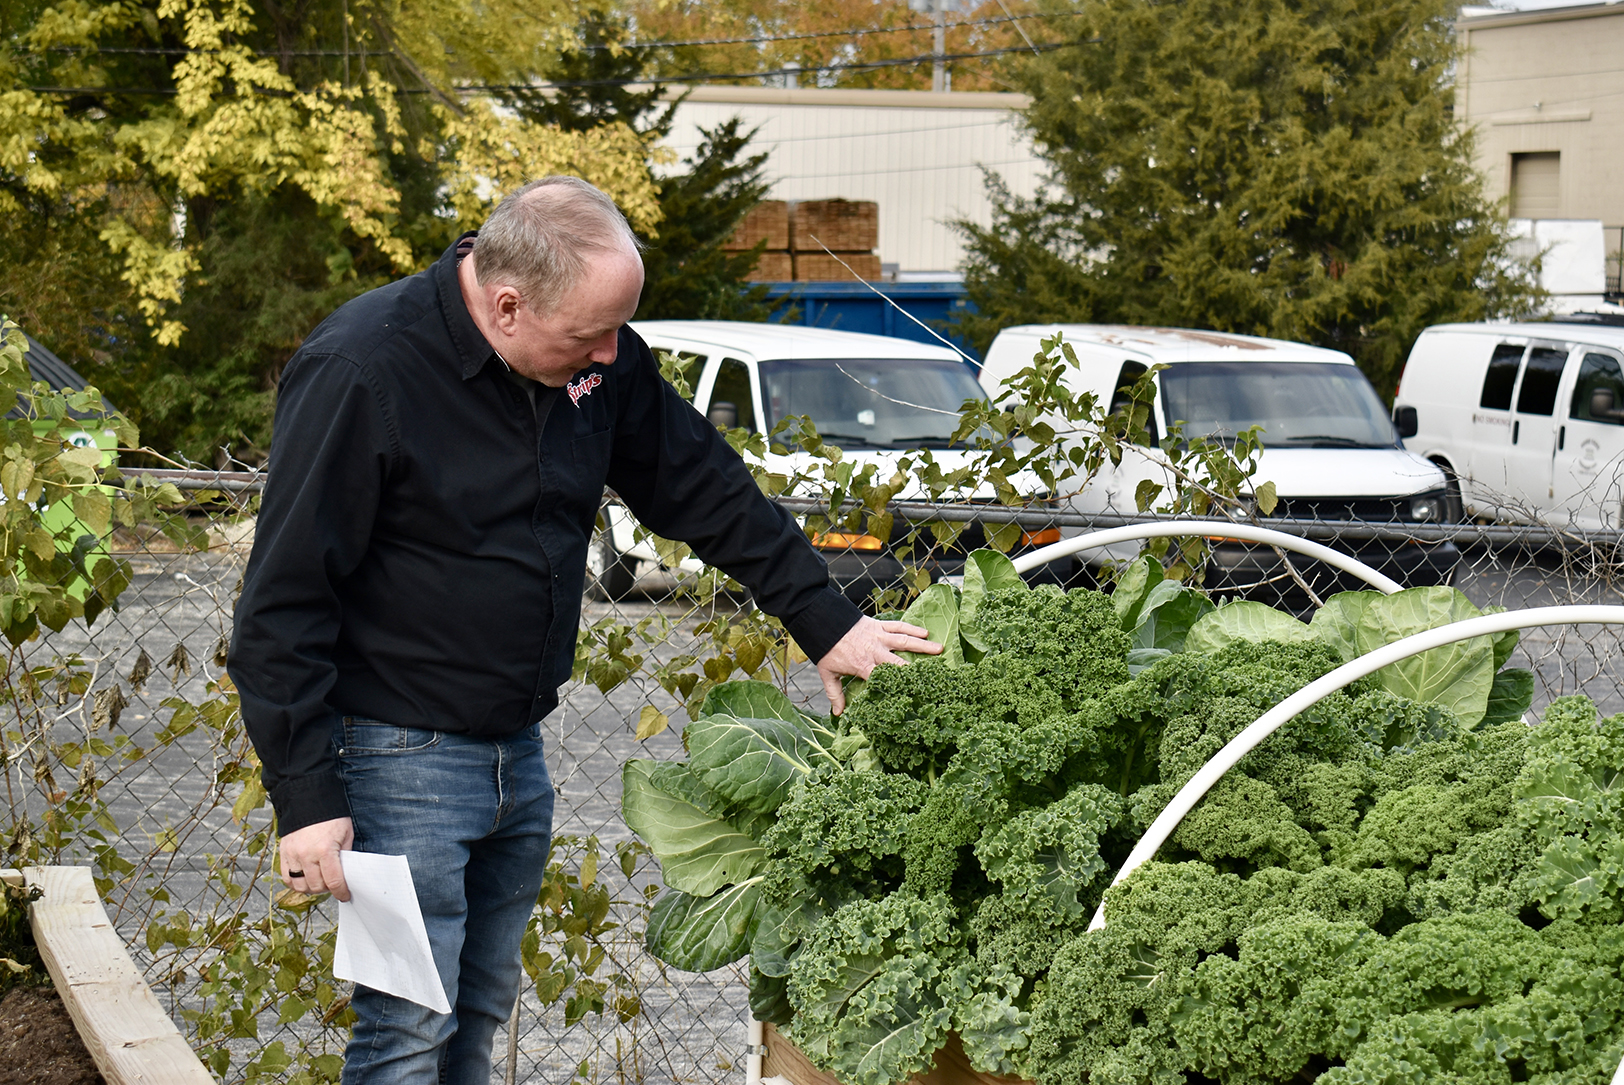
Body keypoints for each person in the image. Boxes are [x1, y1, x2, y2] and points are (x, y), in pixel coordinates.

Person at [227, 175, 939, 1083]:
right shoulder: (364, 369)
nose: (611, 353)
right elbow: (282, 602)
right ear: (508, 303)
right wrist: (307, 799)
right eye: (590, 336)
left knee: (475, 1011)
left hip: (513, 755)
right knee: (405, 1031)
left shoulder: (594, 362)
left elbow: (701, 484)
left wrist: (824, 617)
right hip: (392, 759)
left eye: (616, 331)